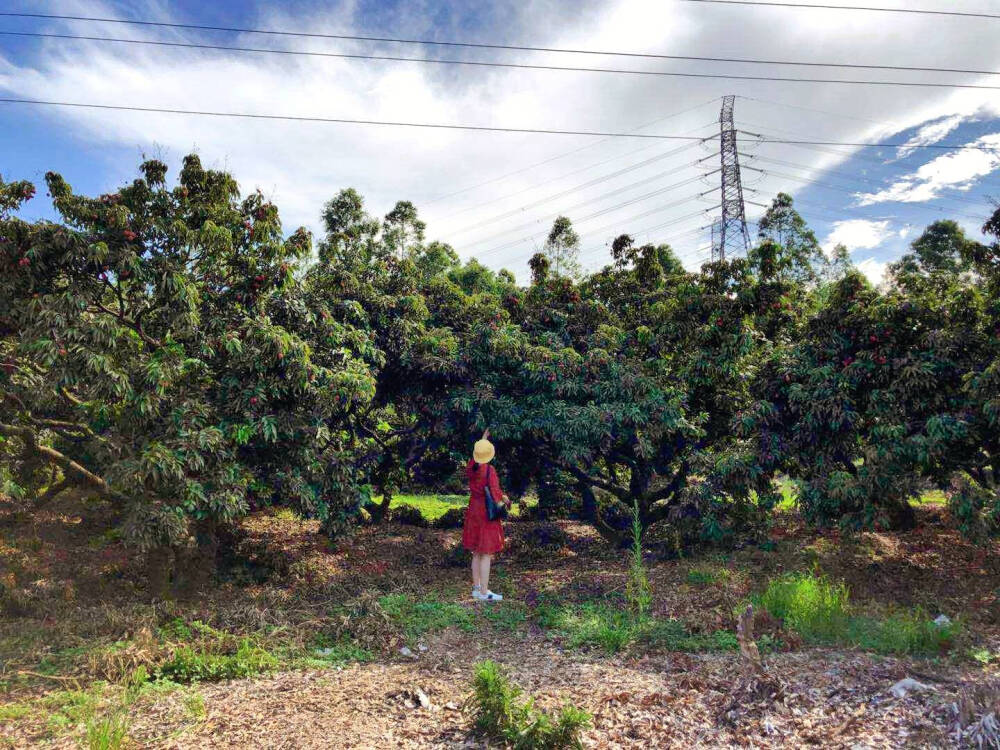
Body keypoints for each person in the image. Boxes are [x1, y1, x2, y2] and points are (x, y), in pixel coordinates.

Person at [462, 429, 510, 602]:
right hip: (485, 513)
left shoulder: (471, 468)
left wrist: (483, 439)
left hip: (473, 509)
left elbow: (476, 458)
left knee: (476, 551)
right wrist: (505, 499)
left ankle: (476, 589)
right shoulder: (490, 470)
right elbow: (495, 492)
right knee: (486, 553)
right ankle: (484, 592)